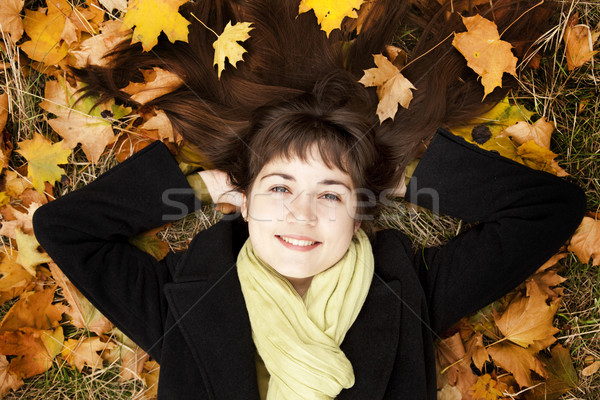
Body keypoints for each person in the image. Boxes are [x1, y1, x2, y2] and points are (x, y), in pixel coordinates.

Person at [32, 0, 585, 399]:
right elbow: (67, 228)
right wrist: (198, 186)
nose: (302, 213)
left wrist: (404, 180)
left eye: (331, 193)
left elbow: (547, 211)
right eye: (279, 188)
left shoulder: (410, 290)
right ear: (243, 202)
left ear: (360, 212)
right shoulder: (180, 299)